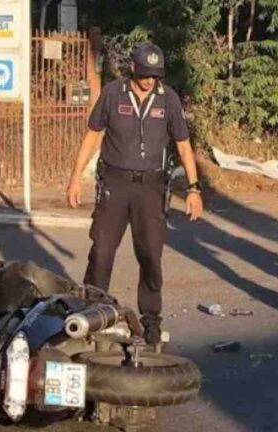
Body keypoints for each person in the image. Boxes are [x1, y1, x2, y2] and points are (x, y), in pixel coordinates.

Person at [66, 42, 204, 344]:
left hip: (152, 188)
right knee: (101, 251)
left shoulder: (168, 100)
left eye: (155, 76)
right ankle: (92, 311)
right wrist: (75, 177)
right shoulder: (113, 94)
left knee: (150, 255)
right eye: (145, 75)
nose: (149, 81)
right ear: (133, 69)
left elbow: (183, 145)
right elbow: (93, 135)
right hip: (115, 184)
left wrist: (193, 189)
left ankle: (151, 321)